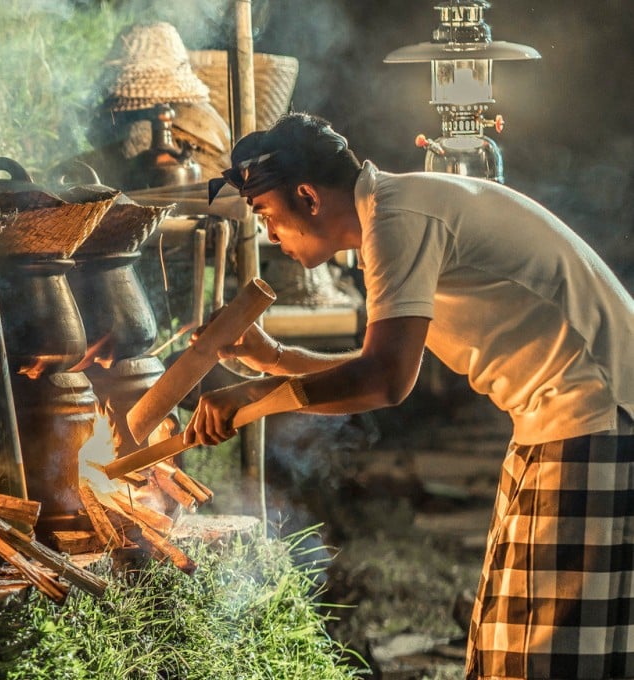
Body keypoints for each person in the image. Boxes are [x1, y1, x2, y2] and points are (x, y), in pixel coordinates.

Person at [184, 112, 634, 680]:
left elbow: (384, 381)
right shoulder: (394, 209)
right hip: (568, 417)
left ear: (308, 196)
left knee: (544, 653)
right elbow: (378, 365)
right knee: (507, 641)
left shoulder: (396, 218)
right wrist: (271, 357)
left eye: (268, 214)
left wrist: (252, 397)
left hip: (594, 412)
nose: (271, 234)